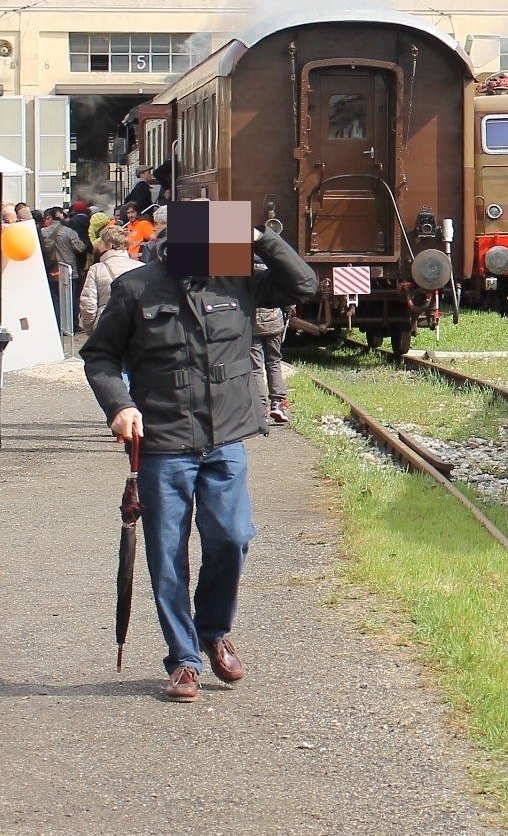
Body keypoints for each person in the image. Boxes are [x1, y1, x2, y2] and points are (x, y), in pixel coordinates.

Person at [83, 223, 317, 701]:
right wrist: (119, 405)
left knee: (231, 538)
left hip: (226, 437)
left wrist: (259, 237)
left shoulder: (239, 278)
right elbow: (100, 356)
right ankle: (184, 659)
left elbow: (304, 285)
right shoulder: (137, 287)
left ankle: (213, 630)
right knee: (168, 553)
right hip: (164, 441)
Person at [78, 225, 141, 331]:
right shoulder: (141, 267)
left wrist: (89, 328)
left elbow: (88, 305)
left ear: (110, 245)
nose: (99, 246)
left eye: (101, 242)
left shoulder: (96, 269)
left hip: (107, 323)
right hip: (136, 324)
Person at [40, 207, 88, 334]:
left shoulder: (42, 232)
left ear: (49, 218)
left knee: (55, 299)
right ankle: (71, 326)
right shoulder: (68, 231)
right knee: (70, 299)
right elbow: (80, 248)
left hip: (52, 270)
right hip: (68, 270)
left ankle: (57, 325)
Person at [252, 298, 290, 426]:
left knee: (255, 368)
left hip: (252, 323)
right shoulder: (271, 276)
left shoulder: (243, 277)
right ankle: (278, 404)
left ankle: (261, 409)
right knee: (274, 362)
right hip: (274, 321)